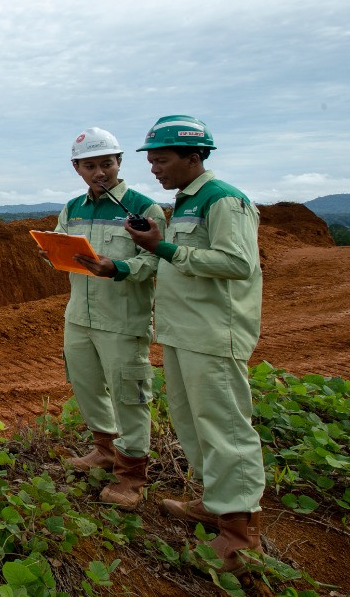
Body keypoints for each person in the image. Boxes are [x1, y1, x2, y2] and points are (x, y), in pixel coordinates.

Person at [125, 115, 264, 572]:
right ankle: (214, 502)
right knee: (192, 423)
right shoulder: (185, 203)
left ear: (194, 156)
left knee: (224, 426)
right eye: (152, 161)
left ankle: (240, 537)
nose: (154, 170)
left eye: (161, 160)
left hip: (213, 334)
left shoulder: (223, 200)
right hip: (183, 332)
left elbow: (237, 262)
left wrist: (164, 249)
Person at [52, 127, 166, 510]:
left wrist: (115, 267)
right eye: (90, 165)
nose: (100, 172)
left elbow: (154, 260)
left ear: (119, 163)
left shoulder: (143, 208)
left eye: (107, 163)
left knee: (129, 394)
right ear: (77, 168)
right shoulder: (72, 208)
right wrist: (50, 251)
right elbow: (60, 239)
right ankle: (104, 449)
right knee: (85, 384)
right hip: (79, 316)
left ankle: (131, 475)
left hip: (122, 318)